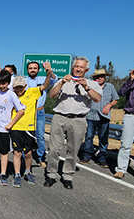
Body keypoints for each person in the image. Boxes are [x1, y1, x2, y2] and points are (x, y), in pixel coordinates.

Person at [45, 56, 102, 189]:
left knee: (73, 149)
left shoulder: (92, 84)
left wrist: (86, 87)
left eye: (81, 67)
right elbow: (52, 95)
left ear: (86, 70)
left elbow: (97, 99)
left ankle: (67, 176)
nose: (78, 69)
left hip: (78, 119)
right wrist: (62, 83)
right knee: (53, 148)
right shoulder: (64, 81)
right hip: (60, 117)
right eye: (76, 66)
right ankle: (51, 174)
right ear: (73, 67)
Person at [10, 68, 52, 187]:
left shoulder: (32, 92)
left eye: (21, 87)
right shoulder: (12, 96)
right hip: (16, 128)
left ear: (25, 86)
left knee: (28, 153)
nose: (19, 89)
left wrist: (48, 74)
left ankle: (28, 171)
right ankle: (17, 174)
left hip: (29, 128)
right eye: (16, 87)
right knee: (17, 153)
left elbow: (45, 86)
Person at [79, 69, 119, 168]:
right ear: (93, 78)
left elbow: (115, 99)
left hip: (104, 116)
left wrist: (109, 106)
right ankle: (86, 155)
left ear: (105, 77)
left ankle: (102, 158)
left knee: (103, 138)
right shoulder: (90, 86)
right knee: (88, 137)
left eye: (101, 76)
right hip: (91, 115)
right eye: (97, 76)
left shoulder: (110, 87)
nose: (99, 78)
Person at [114, 62, 134, 180]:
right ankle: (121, 169)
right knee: (125, 144)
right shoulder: (133, 82)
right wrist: (130, 79)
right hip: (131, 116)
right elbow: (121, 93)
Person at [24, 61, 58, 167]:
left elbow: (54, 79)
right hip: (26, 113)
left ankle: (41, 158)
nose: (32, 70)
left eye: (35, 68)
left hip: (39, 111)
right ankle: (22, 156)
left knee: (40, 136)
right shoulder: (24, 81)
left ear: (38, 70)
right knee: (24, 135)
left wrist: (49, 71)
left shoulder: (44, 79)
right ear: (27, 70)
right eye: (30, 68)